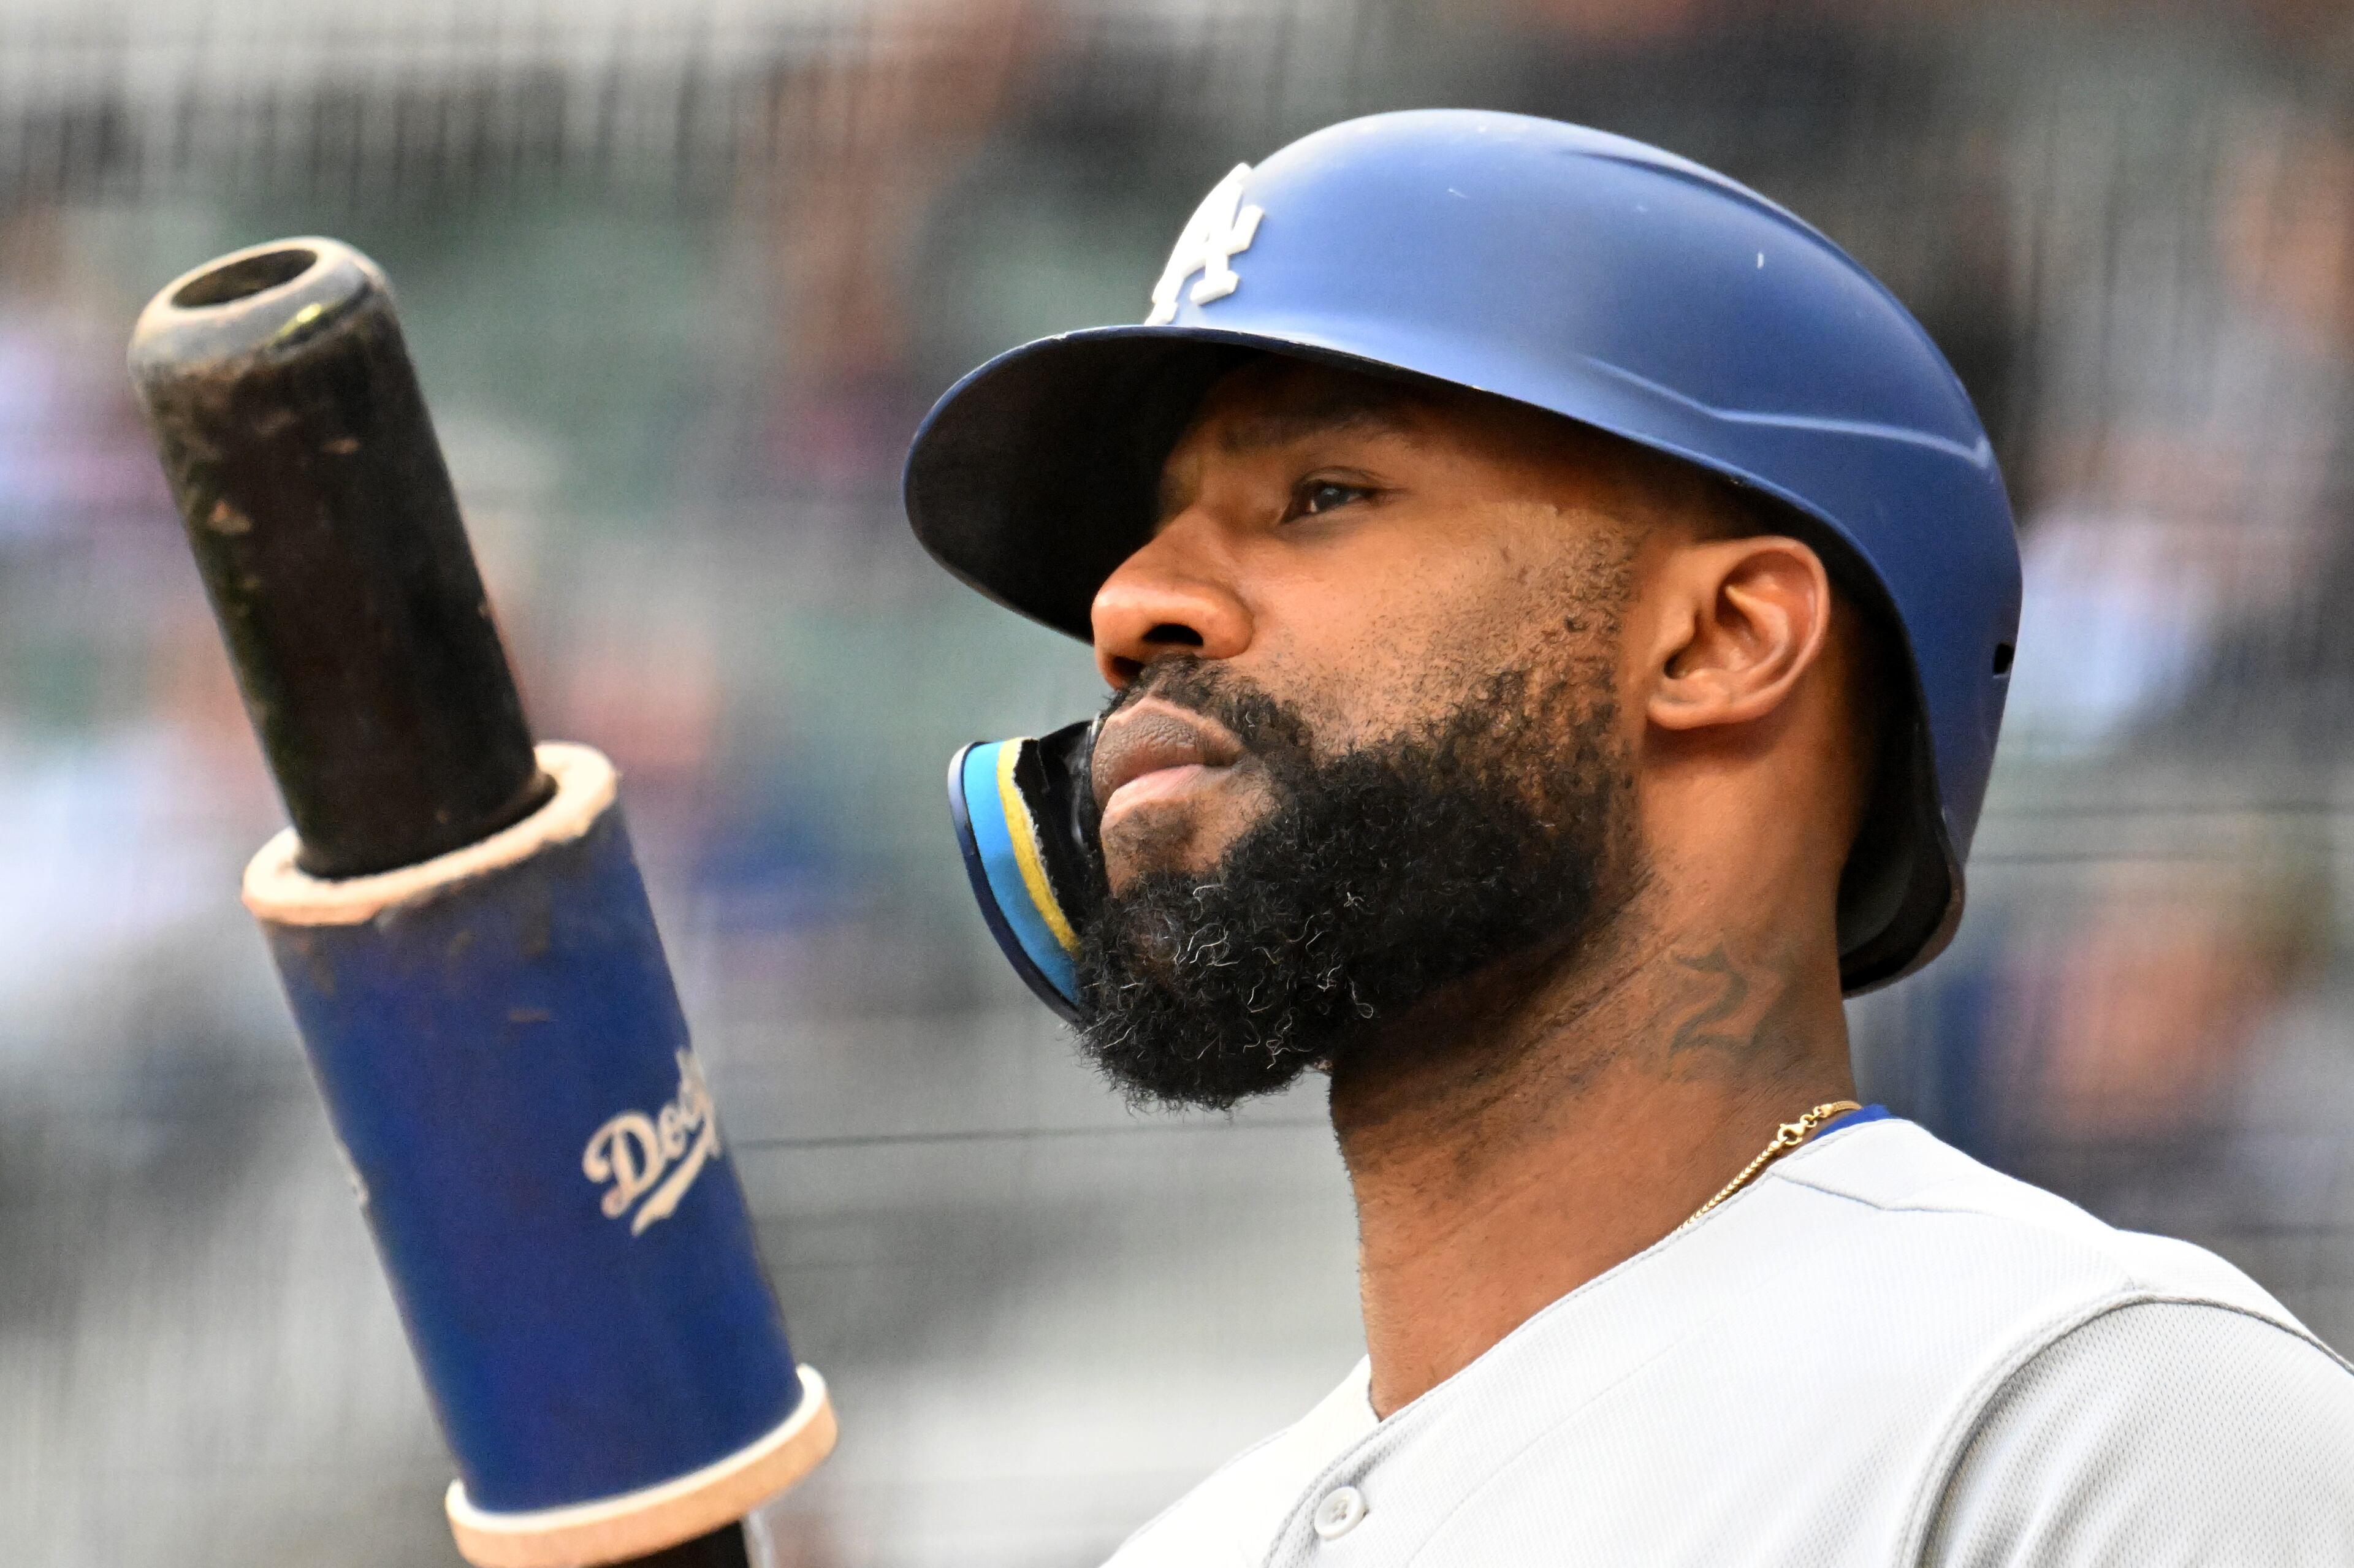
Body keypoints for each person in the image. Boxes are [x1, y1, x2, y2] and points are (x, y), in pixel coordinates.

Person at [902, 110, 2354, 1565]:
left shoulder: (2106, 1427)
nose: (1125, 608)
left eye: (1322, 495)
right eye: (1148, 536)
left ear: (1724, 639)